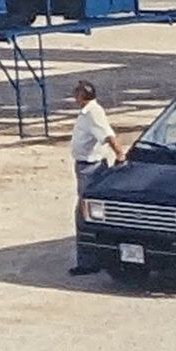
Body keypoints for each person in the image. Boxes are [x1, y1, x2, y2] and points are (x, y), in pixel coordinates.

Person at [67, 78, 121, 275]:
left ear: (83, 95)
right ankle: (91, 259)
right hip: (84, 166)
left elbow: (107, 135)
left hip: (91, 168)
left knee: (85, 213)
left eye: (77, 92)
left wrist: (120, 154)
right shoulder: (87, 112)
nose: (74, 95)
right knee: (86, 212)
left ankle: (88, 262)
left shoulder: (93, 113)